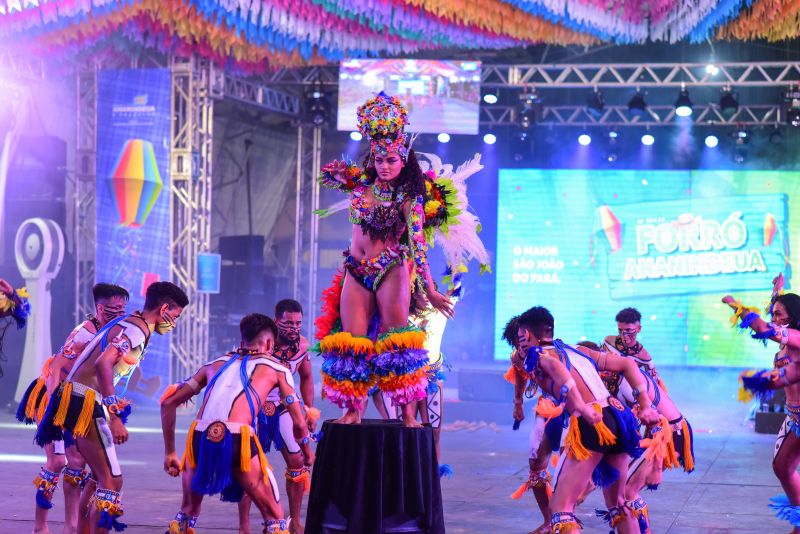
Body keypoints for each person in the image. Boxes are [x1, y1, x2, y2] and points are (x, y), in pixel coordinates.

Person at [314, 91, 488, 426]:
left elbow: (419, 247)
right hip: (356, 270)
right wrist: (338, 173)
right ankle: (353, 412)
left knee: (398, 342)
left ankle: (408, 414)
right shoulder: (361, 185)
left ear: (403, 160)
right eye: (379, 160)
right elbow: (327, 174)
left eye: (392, 160)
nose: (385, 165)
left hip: (391, 269)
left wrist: (432, 290)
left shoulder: (411, 197)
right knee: (352, 342)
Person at [36, 281, 188, 533]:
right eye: (175, 316)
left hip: (78, 399)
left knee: (96, 476)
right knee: (112, 480)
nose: (173, 322)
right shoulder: (136, 329)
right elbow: (103, 364)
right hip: (85, 401)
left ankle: (79, 528)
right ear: (164, 309)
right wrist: (114, 414)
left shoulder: (131, 324)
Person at [160, 313, 314, 534]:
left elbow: (168, 403)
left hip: (199, 437)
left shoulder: (213, 364)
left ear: (242, 340)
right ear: (270, 343)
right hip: (236, 438)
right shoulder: (278, 369)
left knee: (187, 512)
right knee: (275, 518)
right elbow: (299, 424)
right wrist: (308, 452)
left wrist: (170, 453)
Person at [515, 307, 659, 534]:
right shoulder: (579, 349)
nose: (520, 344)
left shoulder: (541, 356)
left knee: (561, 510)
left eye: (521, 338)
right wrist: (646, 405)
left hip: (594, 421)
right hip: (619, 416)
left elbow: (555, 368)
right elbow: (628, 364)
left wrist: (580, 406)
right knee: (618, 503)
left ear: (528, 334)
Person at [17, 283, 129, 534]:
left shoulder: (116, 334)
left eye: (123, 307)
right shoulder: (85, 332)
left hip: (81, 401)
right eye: (114, 308)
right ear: (100, 308)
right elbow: (56, 369)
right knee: (58, 462)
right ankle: (40, 527)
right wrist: (55, 412)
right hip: (54, 397)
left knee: (79, 463)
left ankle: (73, 526)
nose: (120, 312)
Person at [594, 308, 694, 533]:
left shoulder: (638, 370)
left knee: (626, 492)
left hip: (667, 433)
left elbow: (656, 415)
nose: (624, 336)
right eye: (620, 331)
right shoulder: (609, 345)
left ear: (639, 329)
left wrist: (656, 466)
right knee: (625, 491)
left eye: (629, 332)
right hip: (654, 430)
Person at [725, 273, 800, 533]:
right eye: (774, 312)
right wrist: (777, 291)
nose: (774, 317)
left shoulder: (797, 338)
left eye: (779, 314)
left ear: (793, 317)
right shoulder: (786, 334)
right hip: (794, 417)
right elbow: (774, 315)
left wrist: (736, 306)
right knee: (782, 467)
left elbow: (764, 328)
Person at [238, 300, 319, 534]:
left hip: (285, 406)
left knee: (297, 463)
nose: (294, 328)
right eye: (288, 323)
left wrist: (309, 409)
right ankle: (244, 525)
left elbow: (306, 377)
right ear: (276, 322)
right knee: (248, 465)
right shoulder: (260, 343)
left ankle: (294, 519)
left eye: (298, 323)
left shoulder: (303, 346)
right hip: (255, 406)